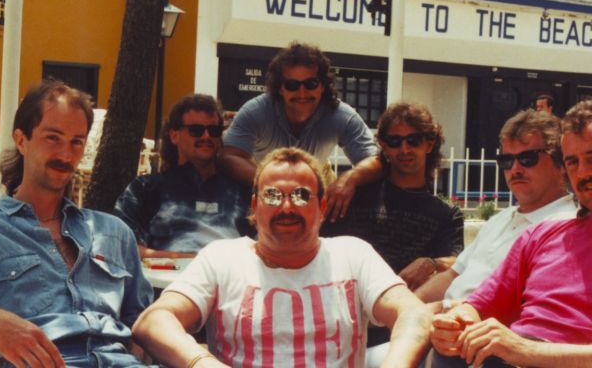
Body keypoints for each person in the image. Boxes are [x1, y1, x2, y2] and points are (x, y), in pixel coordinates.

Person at [0, 80, 153, 367]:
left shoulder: (114, 233)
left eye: (76, 142)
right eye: (53, 138)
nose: (65, 155)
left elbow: (144, 325)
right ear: (21, 140)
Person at [133, 147, 431, 368]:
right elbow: (153, 321)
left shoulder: (352, 254)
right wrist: (202, 363)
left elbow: (413, 313)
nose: (287, 207)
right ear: (254, 207)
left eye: (301, 195)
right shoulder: (222, 258)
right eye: (273, 196)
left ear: (322, 207)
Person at [429, 101, 592, 368]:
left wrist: (526, 351)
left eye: (591, 158)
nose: (583, 172)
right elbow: (478, 305)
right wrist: (457, 322)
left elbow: (523, 348)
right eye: (573, 161)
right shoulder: (542, 235)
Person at [322, 103, 463, 348]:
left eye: (414, 140)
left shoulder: (446, 214)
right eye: (395, 141)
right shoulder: (351, 197)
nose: (404, 149)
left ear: (429, 144)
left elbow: (460, 265)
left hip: (398, 329)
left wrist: (431, 263)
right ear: (384, 146)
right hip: (339, 321)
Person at [414, 109, 576, 308]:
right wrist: (409, 307)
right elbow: (452, 275)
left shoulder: (566, 229)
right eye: (506, 161)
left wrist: (437, 310)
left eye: (528, 158)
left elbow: (523, 306)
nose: (515, 169)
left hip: (470, 322)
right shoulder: (501, 219)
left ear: (560, 163)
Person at [219, 41, 380, 220]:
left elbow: (375, 160)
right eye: (292, 85)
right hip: (267, 187)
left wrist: (349, 178)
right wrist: (267, 180)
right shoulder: (256, 111)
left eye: (311, 83)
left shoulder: (341, 115)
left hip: (316, 186)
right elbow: (229, 156)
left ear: (322, 86)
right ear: (280, 88)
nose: (302, 93)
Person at [114, 94, 249, 259]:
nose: (206, 136)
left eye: (214, 130)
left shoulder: (240, 192)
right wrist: (198, 262)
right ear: (174, 135)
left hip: (231, 274)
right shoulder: (146, 189)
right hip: (170, 274)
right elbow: (126, 248)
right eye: (196, 130)